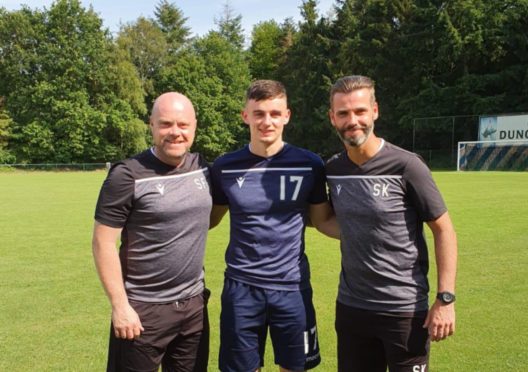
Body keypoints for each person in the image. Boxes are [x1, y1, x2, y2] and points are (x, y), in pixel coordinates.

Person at [326, 75, 457, 372]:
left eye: (360, 111)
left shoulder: (407, 166)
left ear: (375, 111)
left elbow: (444, 229)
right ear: (332, 118)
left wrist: (445, 299)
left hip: (404, 311)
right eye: (343, 113)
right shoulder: (333, 170)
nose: (353, 120)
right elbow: (331, 220)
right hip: (351, 309)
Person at [210, 80, 338, 372]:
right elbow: (209, 219)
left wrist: (371, 233)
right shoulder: (224, 167)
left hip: (292, 288)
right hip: (241, 288)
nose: (266, 121)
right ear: (245, 116)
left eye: (274, 113)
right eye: (258, 113)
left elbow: (321, 221)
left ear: (287, 116)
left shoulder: (310, 164)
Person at [92, 92, 211, 372]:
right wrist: (120, 307)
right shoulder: (127, 175)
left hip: (194, 308)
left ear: (194, 126)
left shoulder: (203, 168)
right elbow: (103, 243)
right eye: (166, 124)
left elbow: (209, 218)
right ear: (152, 125)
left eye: (183, 125)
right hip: (142, 311)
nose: (175, 133)